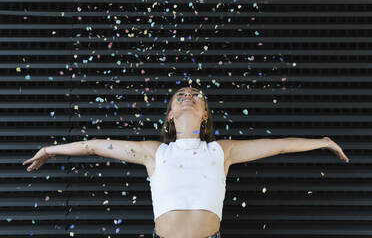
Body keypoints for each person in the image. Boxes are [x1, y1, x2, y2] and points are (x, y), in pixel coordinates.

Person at [22, 86, 350, 238]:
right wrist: (50, 150)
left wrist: (322, 142)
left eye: (197, 95)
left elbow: (279, 146)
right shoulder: (154, 152)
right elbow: (94, 146)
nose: (189, 95)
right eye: (181, 94)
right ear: (170, 114)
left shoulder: (222, 151)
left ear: (205, 113)